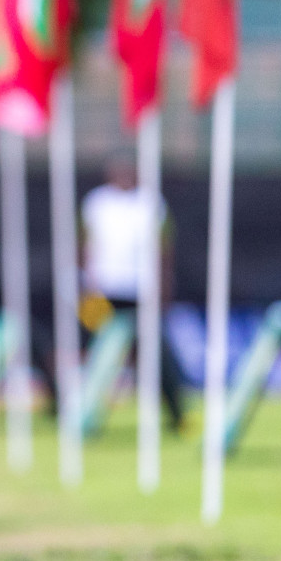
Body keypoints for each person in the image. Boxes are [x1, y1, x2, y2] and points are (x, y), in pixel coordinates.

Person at [80, 154, 187, 431]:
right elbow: (85, 246)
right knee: (95, 351)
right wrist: (86, 288)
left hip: (141, 291)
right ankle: (82, 413)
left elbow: (165, 249)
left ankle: (177, 413)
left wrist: (164, 289)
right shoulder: (96, 203)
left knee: (156, 352)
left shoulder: (151, 203)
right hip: (103, 291)